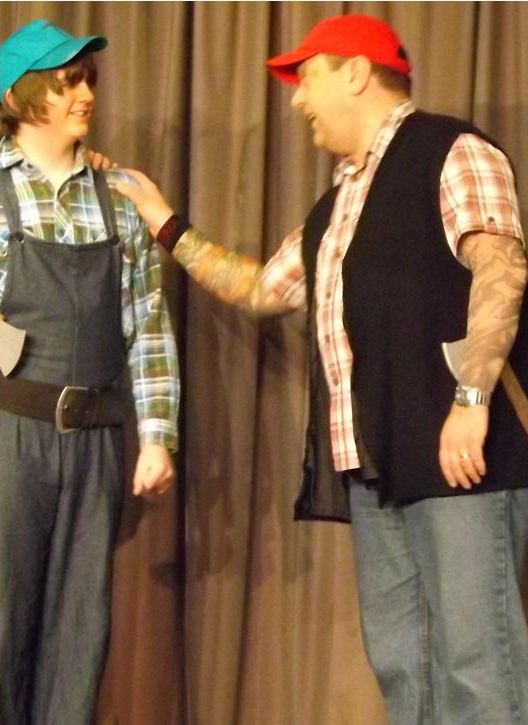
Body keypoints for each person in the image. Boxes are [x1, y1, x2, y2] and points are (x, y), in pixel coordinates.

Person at [116, 14, 528, 725]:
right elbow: (261, 289)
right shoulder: (337, 204)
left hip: (459, 455)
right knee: (402, 661)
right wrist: (165, 223)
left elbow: (501, 270)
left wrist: (471, 398)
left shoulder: (451, 151)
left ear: (356, 72)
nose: (298, 98)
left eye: (307, 78)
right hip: (375, 461)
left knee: (475, 661)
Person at [0, 18, 180, 725]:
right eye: (65, 83)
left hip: (94, 442)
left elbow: (148, 326)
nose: (84, 93)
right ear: (20, 97)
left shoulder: (118, 197)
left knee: (78, 633)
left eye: (85, 79)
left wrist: (157, 434)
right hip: (5, 435)